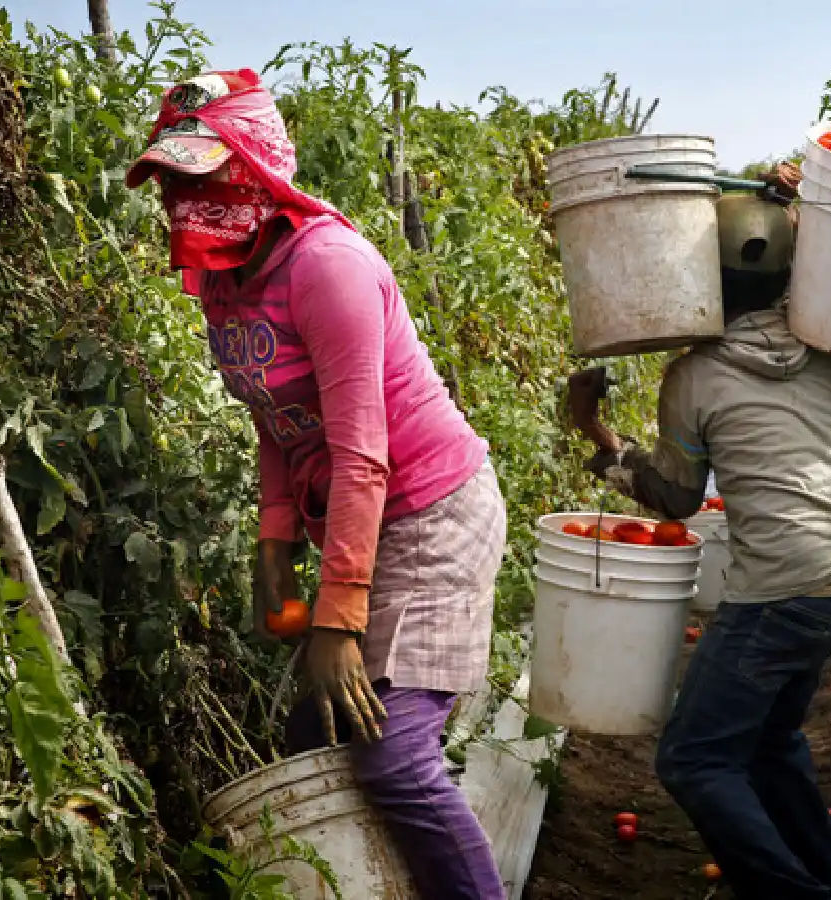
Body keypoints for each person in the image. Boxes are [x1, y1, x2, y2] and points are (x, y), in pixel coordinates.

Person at [125, 70, 506, 900]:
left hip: (430, 511)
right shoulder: (222, 281)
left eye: (206, 176)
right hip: (352, 517)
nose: (187, 199)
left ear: (257, 168)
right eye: (174, 181)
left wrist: (336, 620)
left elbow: (362, 453)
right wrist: (274, 545)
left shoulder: (326, 266)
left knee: (395, 756)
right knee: (319, 729)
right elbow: (276, 417)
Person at [567, 165, 831, 900]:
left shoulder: (694, 377)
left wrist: (593, 431)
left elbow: (675, 501)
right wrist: (793, 200)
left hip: (780, 593)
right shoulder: (826, 348)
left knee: (693, 761)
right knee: (770, 743)